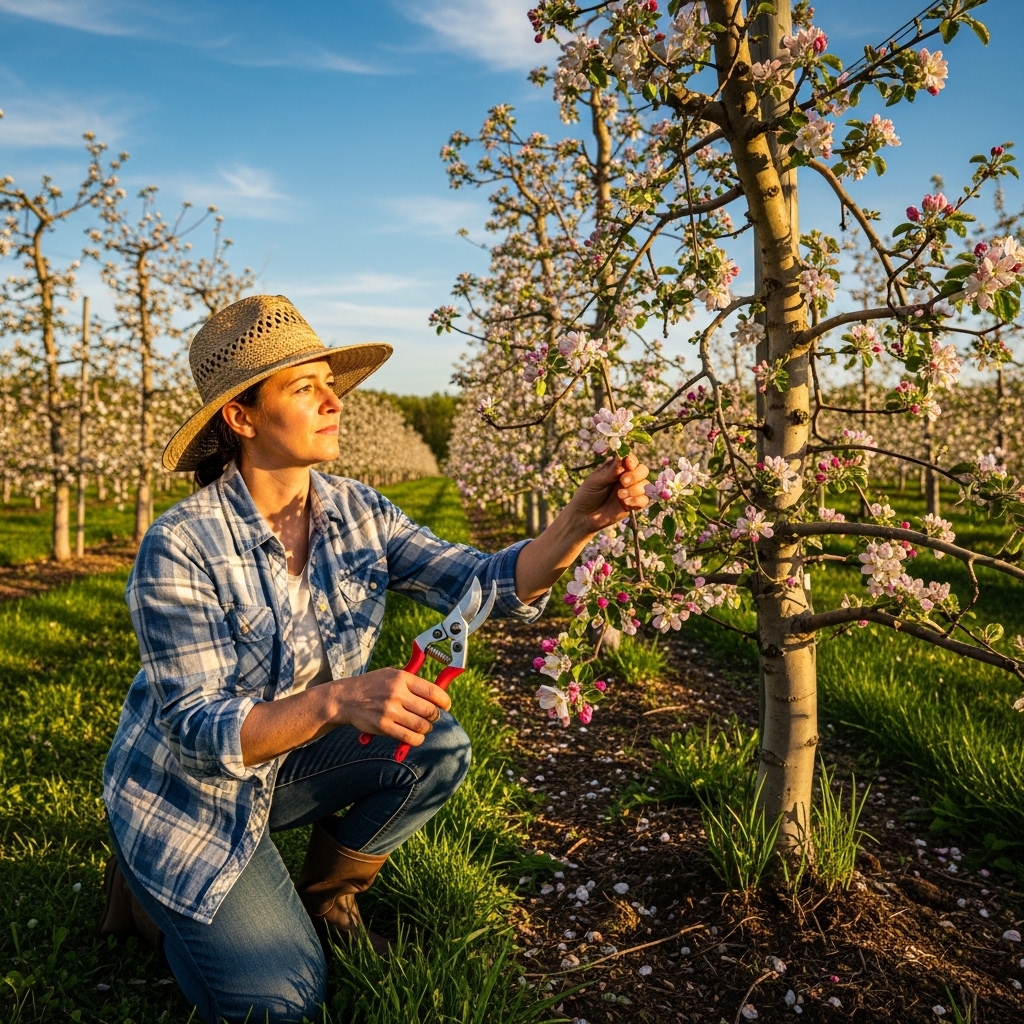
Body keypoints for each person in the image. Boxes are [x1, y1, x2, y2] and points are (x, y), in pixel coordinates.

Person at [97, 294, 650, 1023]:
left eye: (330, 383)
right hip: (190, 797)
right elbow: (200, 737)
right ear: (241, 417)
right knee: (283, 1001)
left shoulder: (359, 512)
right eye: (304, 388)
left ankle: (329, 902)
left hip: (283, 762)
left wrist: (577, 524)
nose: (333, 401)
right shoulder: (182, 545)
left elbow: (482, 583)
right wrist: (338, 700)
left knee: (437, 744)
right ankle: (148, 898)